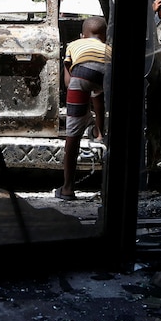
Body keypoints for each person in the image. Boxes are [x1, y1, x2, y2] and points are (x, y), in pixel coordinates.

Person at [55, 15, 110, 201]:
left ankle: (68, 188)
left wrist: (79, 102)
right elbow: (99, 91)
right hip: (106, 74)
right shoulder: (108, 48)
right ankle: (100, 131)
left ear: (82, 35)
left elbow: (68, 81)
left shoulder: (74, 45)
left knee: (73, 136)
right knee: (99, 95)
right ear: (104, 36)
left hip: (81, 75)